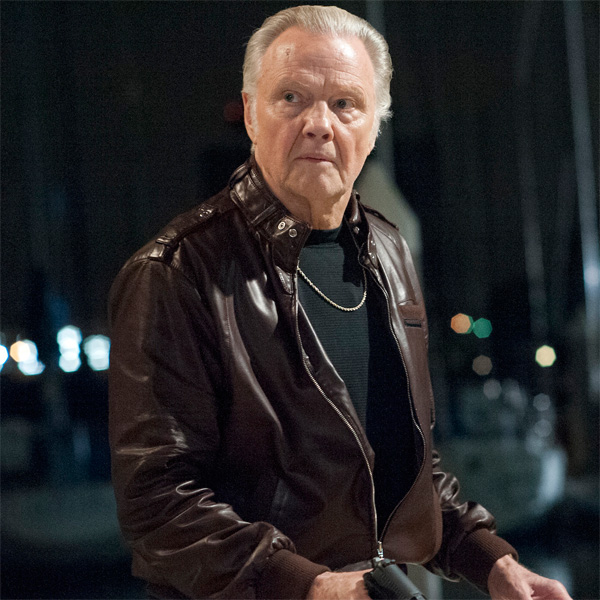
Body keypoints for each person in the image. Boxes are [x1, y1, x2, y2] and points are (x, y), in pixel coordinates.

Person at [108, 6, 571, 600]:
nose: (319, 124)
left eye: (345, 104)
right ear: (250, 113)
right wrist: (311, 586)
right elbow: (156, 502)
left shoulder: (389, 249)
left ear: (375, 126)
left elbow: (406, 466)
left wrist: (494, 565)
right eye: (292, 98)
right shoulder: (177, 271)